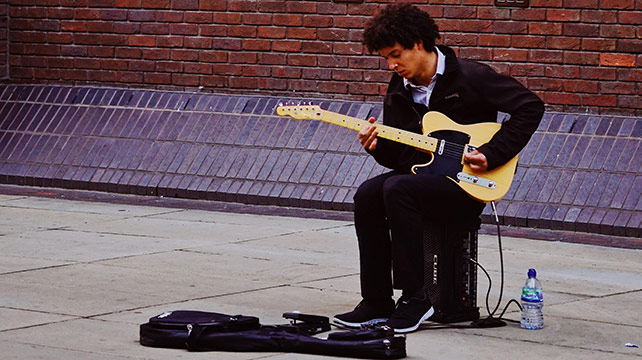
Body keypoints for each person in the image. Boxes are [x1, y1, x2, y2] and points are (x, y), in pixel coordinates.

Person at [333, 4, 544, 333]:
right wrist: (377, 146)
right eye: (386, 58)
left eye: (396, 54)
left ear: (418, 43)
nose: (391, 65)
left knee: (396, 189)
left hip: (469, 183)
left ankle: (417, 299)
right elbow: (405, 160)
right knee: (368, 194)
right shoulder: (399, 89)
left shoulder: (472, 77)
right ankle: (376, 301)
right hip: (427, 178)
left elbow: (531, 106)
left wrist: (493, 153)